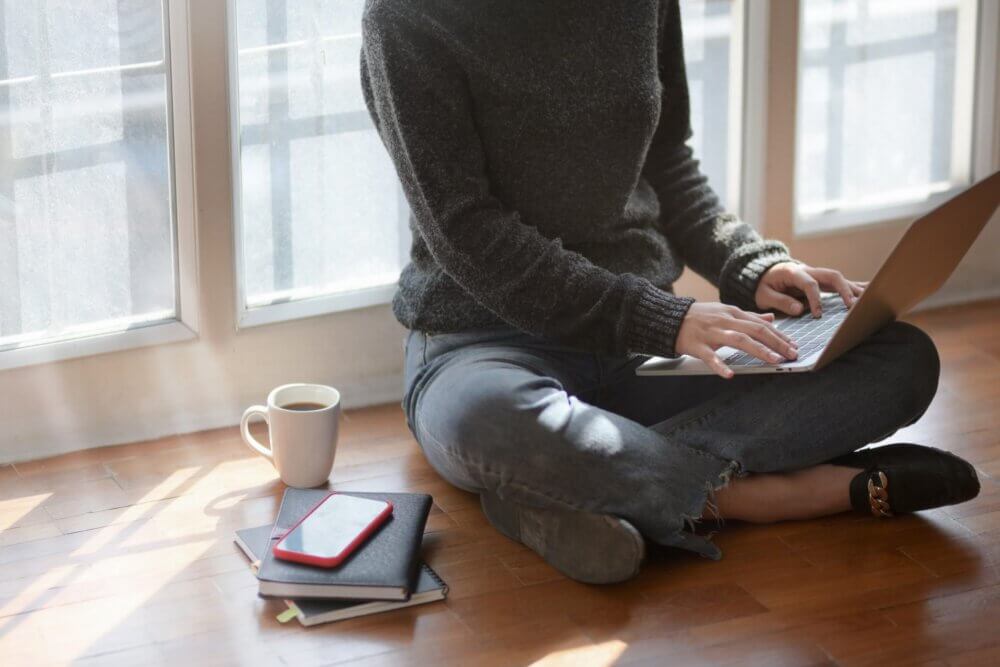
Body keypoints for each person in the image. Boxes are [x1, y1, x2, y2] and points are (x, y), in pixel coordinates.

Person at [359, 0, 980, 583]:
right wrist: (661, 317)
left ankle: (574, 491)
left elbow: (666, 164)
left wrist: (752, 264)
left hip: (643, 354)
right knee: (486, 420)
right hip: (484, 346)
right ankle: (768, 497)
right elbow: (466, 233)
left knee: (899, 358)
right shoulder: (405, 18)